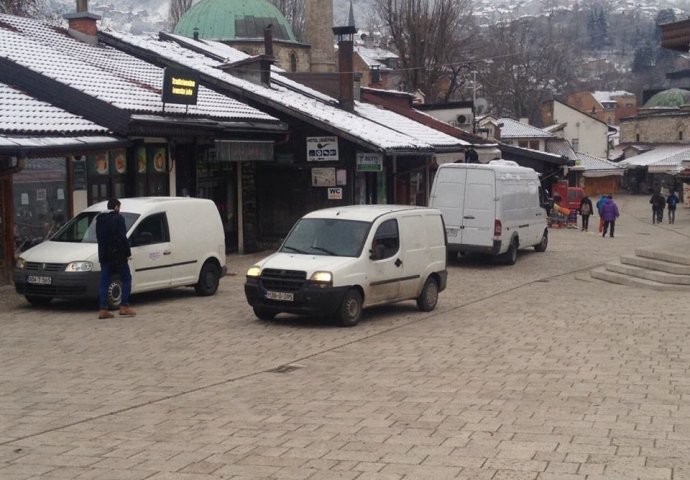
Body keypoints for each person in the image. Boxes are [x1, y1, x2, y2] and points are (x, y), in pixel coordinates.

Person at [96, 198, 136, 319]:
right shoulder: (119, 219)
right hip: (118, 255)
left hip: (104, 255)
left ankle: (103, 309)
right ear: (116, 207)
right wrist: (127, 253)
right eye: (119, 207)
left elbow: (99, 238)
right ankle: (124, 306)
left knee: (104, 282)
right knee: (127, 278)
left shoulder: (99, 219)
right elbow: (122, 238)